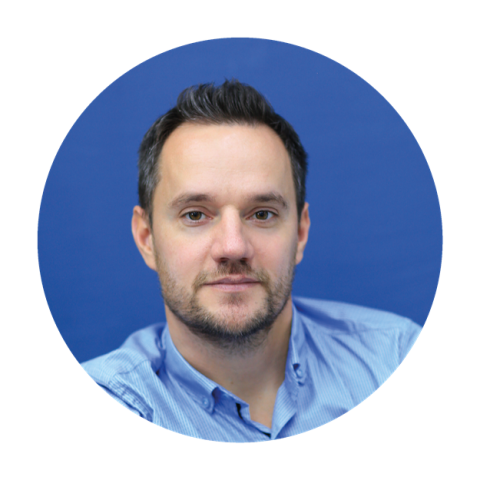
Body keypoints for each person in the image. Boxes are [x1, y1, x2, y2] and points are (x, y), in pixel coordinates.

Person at [80, 78, 422, 442]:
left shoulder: (393, 356)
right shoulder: (120, 397)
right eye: (195, 215)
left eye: (262, 214)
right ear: (146, 238)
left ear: (300, 232)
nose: (233, 247)